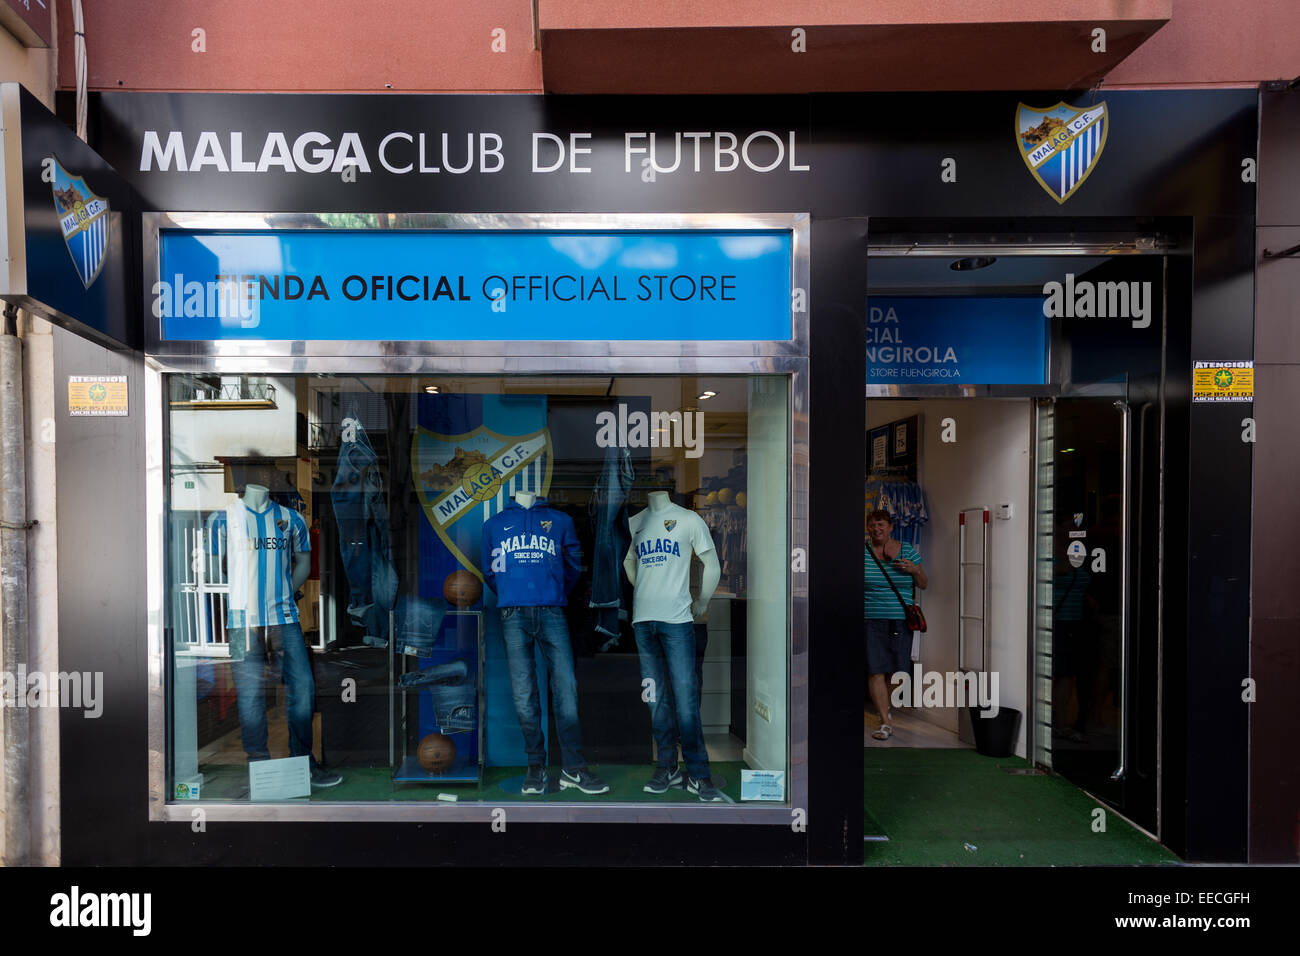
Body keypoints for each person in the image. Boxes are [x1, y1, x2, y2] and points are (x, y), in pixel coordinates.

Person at [207, 483, 342, 789]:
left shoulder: (290, 518)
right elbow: (213, 568)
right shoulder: (222, 518)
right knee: (249, 695)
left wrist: (284, 591)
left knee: (303, 688)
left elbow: (304, 563)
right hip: (241, 623)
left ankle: (304, 764)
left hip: (284, 618)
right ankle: (258, 769)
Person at [864, 508, 928, 740]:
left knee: (899, 669)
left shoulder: (907, 550)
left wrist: (914, 569)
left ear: (891, 527)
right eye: (872, 524)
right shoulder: (862, 551)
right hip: (871, 618)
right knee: (875, 668)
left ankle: (885, 706)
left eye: (881, 524)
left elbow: (924, 583)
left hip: (901, 618)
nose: (876, 528)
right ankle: (885, 721)